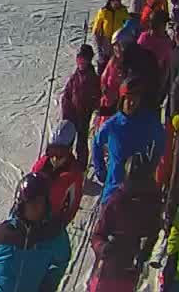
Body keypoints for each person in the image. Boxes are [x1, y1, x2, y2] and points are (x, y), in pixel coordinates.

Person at [0, 172, 71, 292]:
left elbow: (61, 262)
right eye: (31, 202)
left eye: (40, 202)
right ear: (21, 204)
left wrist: (48, 286)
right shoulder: (0, 235)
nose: (36, 207)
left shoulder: (54, 235)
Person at [87, 154, 162, 291]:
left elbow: (155, 233)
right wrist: (103, 247)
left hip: (130, 270)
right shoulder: (116, 201)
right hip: (108, 269)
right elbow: (97, 235)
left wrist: (145, 251)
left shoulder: (152, 203)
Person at [95, 85, 166, 203]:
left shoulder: (147, 121)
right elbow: (97, 143)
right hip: (114, 188)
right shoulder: (112, 124)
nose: (132, 103)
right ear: (122, 99)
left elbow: (161, 138)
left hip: (139, 189)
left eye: (136, 99)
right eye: (129, 99)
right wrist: (100, 169)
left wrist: (152, 162)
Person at [31, 121, 86, 228]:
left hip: (53, 222)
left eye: (61, 153)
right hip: (35, 216)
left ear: (69, 151)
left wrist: (62, 223)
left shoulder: (73, 175)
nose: (55, 158)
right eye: (52, 151)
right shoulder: (40, 166)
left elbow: (73, 204)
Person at [65, 46, 103, 166]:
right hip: (72, 114)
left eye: (83, 60)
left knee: (81, 141)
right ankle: (66, 162)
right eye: (79, 59)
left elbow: (97, 96)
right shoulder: (75, 76)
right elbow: (67, 93)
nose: (80, 63)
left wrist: (93, 110)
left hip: (84, 114)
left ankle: (81, 166)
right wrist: (66, 109)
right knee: (68, 139)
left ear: (89, 61)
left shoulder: (92, 78)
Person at [95, 0, 130, 73]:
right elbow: (96, 32)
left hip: (117, 45)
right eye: (115, 1)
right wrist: (99, 50)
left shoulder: (123, 11)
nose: (117, 3)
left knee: (114, 70)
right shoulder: (103, 11)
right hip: (105, 44)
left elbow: (127, 26)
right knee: (103, 69)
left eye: (118, 0)